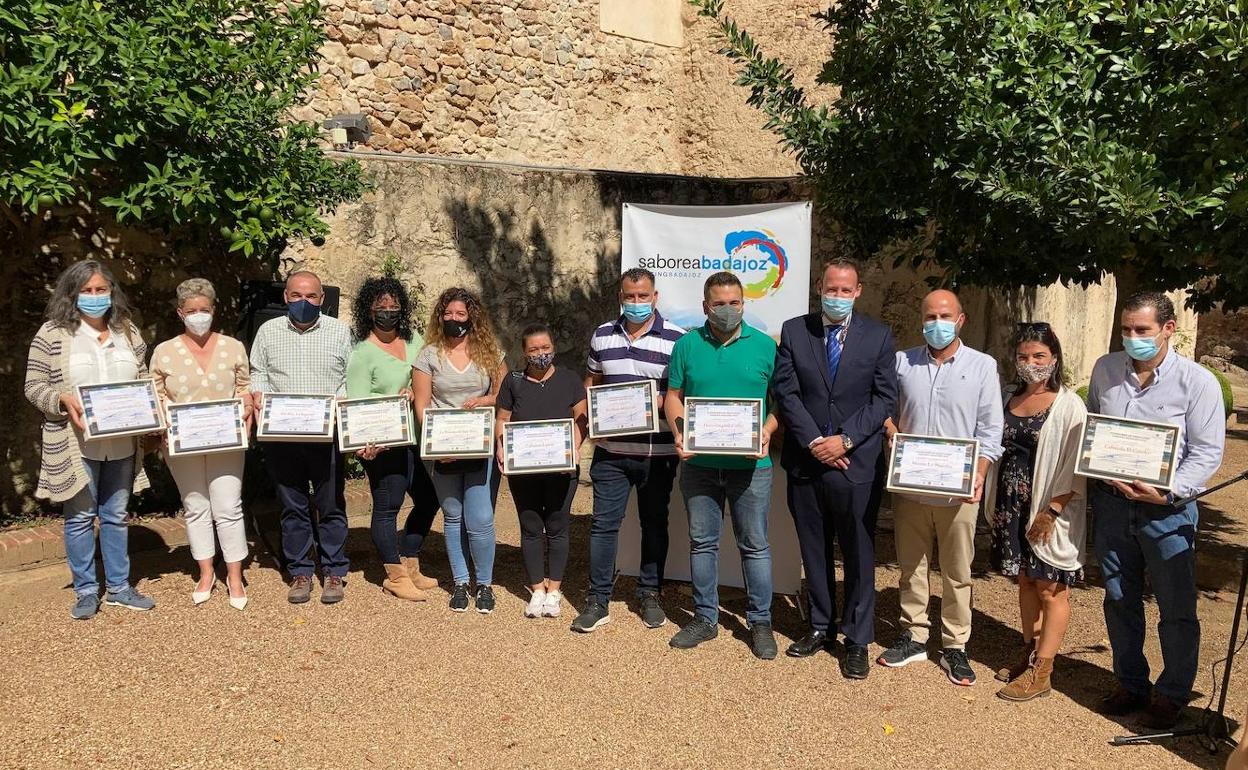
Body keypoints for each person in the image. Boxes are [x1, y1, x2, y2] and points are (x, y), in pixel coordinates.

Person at [1089, 292, 1225, 729]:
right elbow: (1097, 427)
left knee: (1176, 607)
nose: (1132, 338)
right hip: (1112, 507)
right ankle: (1131, 683)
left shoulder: (1197, 382)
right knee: (1118, 599)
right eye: (1126, 330)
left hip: (1168, 510)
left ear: (1168, 329)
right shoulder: (1106, 370)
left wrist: (1168, 493)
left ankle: (1172, 692)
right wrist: (1099, 467)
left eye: (1142, 331)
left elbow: (1206, 453)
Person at [773, 258, 897, 679]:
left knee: (859, 553)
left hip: (856, 462)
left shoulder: (878, 337)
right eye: (831, 289)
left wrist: (843, 440)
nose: (837, 296)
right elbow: (786, 393)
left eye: (846, 290)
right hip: (807, 461)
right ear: (819, 288)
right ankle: (820, 626)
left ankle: (857, 639)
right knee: (814, 548)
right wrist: (814, 442)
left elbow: (883, 399)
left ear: (858, 291)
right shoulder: (794, 331)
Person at [877, 289, 1003, 686]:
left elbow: (990, 428)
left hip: (958, 489)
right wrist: (893, 434)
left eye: (944, 316)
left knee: (957, 571)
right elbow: (885, 409)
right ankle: (914, 635)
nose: (936, 324)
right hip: (911, 486)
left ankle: (955, 646)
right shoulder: (902, 363)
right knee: (911, 567)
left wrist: (980, 471)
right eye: (930, 316)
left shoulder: (982, 367)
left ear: (960, 320)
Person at [24, 259, 157, 619]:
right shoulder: (52, 334)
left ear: (112, 293)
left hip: (121, 442)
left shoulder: (128, 332)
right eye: (87, 290)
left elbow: (143, 379)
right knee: (80, 517)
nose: (95, 296)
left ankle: (118, 587)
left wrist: (150, 412)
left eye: (101, 289)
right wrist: (62, 400)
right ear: (73, 294)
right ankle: (85, 590)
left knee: (115, 515)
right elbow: (34, 386)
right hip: (74, 443)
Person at [664, 271, 780, 660]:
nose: (728, 310)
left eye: (734, 303)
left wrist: (767, 429)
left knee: (755, 545)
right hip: (699, 465)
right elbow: (673, 395)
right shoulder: (686, 345)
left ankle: (760, 622)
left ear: (744, 304)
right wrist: (679, 432)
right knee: (703, 543)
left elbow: (781, 402)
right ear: (705, 307)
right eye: (719, 304)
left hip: (752, 466)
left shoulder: (767, 346)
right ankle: (704, 618)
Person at [572, 268, 685, 634]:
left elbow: (679, 395)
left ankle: (649, 592)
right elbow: (593, 381)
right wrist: (588, 408)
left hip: (657, 453)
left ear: (655, 296)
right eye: (629, 296)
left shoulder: (677, 339)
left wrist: (659, 400)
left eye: (643, 296)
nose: (636, 303)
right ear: (620, 297)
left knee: (654, 524)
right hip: (611, 451)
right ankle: (597, 599)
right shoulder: (602, 335)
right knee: (604, 526)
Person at [983, 323, 1088, 701]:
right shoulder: (1007, 396)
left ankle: (1043, 671)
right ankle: (1029, 652)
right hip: (1011, 506)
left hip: (1048, 508)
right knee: (1026, 581)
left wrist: (1053, 510)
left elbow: (1076, 464)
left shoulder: (1069, 404)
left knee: (1051, 588)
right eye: (1024, 356)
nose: (1031, 363)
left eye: (1039, 357)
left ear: (1054, 359)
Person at [249, 270, 354, 605]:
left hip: (327, 433)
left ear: (322, 299)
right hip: (281, 435)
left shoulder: (340, 332)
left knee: (330, 503)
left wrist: (342, 400)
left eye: (311, 296)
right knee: (292, 506)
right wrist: (261, 398)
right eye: (297, 296)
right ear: (286, 297)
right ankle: (300, 570)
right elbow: (258, 372)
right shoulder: (268, 331)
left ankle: (335, 569)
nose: (304, 302)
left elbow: (348, 377)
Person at [151, 278, 252, 610]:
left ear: (214, 310)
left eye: (204, 310)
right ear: (180, 313)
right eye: (191, 310)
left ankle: (235, 575)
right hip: (182, 443)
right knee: (196, 507)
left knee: (228, 506)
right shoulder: (164, 351)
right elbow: (156, 396)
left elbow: (244, 389)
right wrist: (165, 423)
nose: (198, 315)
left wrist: (246, 412)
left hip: (227, 441)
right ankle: (206, 571)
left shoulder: (233, 346)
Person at [345, 276, 441, 602]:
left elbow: (429, 378)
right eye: (381, 307)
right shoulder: (362, 353)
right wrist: (365, 444)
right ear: (368, 311)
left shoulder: (415, 341)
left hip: (417, 437)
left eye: (393, 306)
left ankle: (410, 560)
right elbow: (357, 402)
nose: (388, 312)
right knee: (388, 505)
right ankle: (395, 575)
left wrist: (415, 391)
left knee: (429, 499)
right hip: (383, 444)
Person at [413, 287, 507, 613]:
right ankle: (460, 582)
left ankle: (484, 584)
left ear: (472, 317)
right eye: (448, 314)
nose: (454, 319)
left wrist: (484, 400)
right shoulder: (428, 355)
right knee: (453, 516)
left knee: (480, 518)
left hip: (478, 446)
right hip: (443, 450)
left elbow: (504, 396)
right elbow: (422, 406)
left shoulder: (490, 351)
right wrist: (438, 445)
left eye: (460, 314)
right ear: (441, 316)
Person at [495, 325, 588, 618]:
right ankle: (537, 589)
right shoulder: (513, 381)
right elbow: (503, 418)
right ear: (524, 352)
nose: (540, 354)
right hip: (525, 470)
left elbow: (581, 418)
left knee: (558, 526)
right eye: (533, 349)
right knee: (532, 527)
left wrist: (572, 448)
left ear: (554, 348)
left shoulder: (570, 380)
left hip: (562, 469)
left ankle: (555, 590)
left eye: (545, 347)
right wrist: (501, 446)